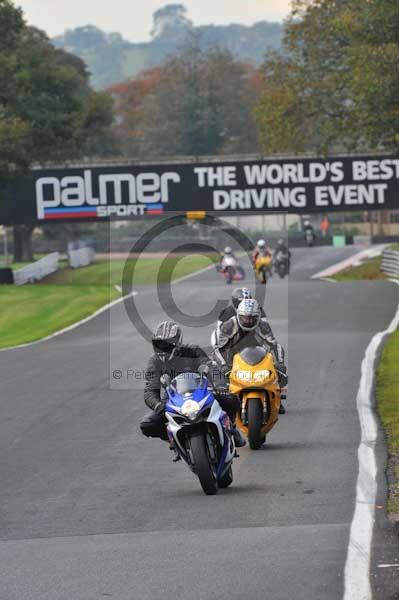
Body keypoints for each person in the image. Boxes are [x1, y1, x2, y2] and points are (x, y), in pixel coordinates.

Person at [140, 321, 246, 446]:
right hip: (172, 399)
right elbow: (150, 390)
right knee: (147, 424)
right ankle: (173, 439)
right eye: (158, 344)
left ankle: (231, 428)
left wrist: (220, 386)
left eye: (165, 345)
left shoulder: (193, 350)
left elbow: (211, 367)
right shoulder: (154, 361)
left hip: (202, 391)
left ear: (176, 342)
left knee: (231, 399)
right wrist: (158, 405)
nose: (161, 348)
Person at [212, 299, 287, 414]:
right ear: (238, 315)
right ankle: (220, 403)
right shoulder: (229, 326)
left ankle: (276, 398)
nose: (248, 321)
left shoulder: (263, 326)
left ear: (258, 317)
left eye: (252, 318)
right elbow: (217, 349)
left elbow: (274, 346)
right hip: (231, 358)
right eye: (245, 317)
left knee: (277, 373)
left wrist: (280, 364)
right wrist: (224, 366)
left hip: (257, 355)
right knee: (216, 376)